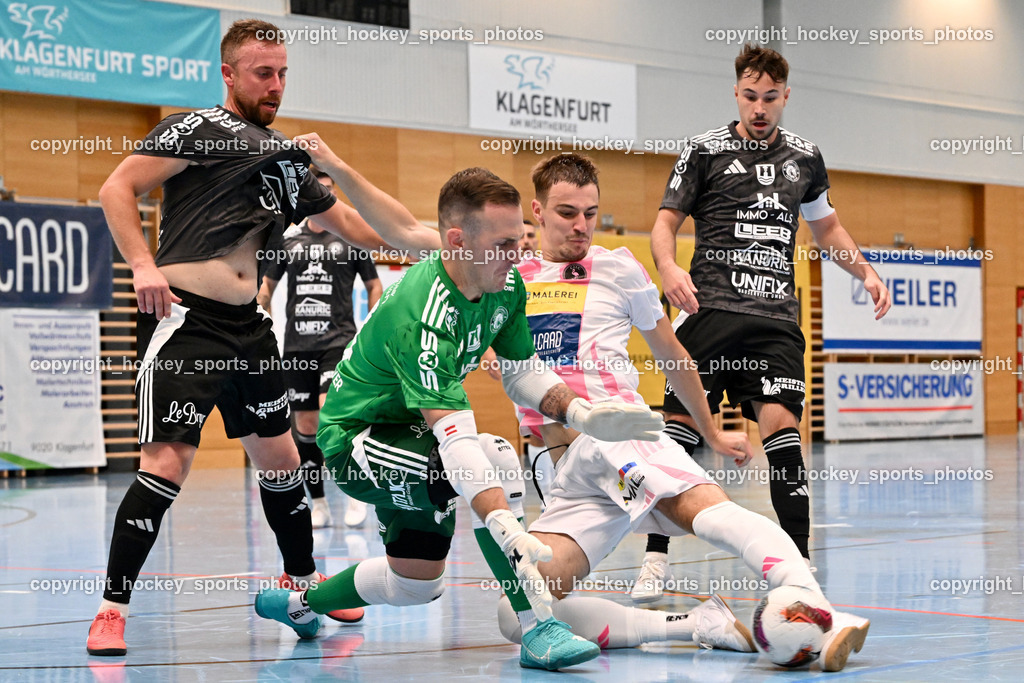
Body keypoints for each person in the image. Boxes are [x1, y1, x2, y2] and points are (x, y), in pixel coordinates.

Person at [87, 19, 439, 657]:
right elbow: (117, 187)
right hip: (187, 322)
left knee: (282, 462)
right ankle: (112, 609)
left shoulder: (287, 161)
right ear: (229, 74)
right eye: (262, 74)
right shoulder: (196, 129)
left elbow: (364, 230)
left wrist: (435, 241)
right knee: (167, 463)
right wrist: (141, 265)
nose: (275, 85)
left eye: (282, 74)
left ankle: (302, 588)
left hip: (250, 332)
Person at [253, 150, 666, 671]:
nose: (516, 256)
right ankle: (538, 627)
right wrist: (503, 520)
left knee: (414, 584)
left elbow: (521, 371)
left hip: (411, 434)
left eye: (518, 240)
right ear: (457, 241)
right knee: (493, 456)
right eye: (502, 245)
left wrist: (582, 414)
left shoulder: (504, 283)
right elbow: (457, 441)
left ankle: (300, 605)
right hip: (356, 438)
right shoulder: (422, 316)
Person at [493, 152, 869, 672]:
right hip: (564, 473)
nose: (581, 225)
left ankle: (818, 612)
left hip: (617, 433)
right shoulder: (508, 282)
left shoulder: (618, 268)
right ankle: (697, 624)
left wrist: (711, 433)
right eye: (567, 213)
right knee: (518, 613)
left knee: (707, 514)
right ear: (536, 211)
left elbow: (673, 355)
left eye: (590, 213)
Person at [642, 43, 892, 600]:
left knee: (783, 432)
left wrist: (865, 272)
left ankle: (799, 567)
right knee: (678, 436)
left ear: (786, 97)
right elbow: (665, 222)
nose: (760, 108)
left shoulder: (806, 157)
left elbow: (827, 228)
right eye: (751, 96)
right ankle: (655, 557)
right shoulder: (704, 150)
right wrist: (668, 267)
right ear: (736, 93)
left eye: (771, 98)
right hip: (708, 311)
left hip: (774, 320)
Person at [258, 170, 383, 528]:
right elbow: (266, 288)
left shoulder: (350, 238)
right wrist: (262, 318)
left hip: (338, 342)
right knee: (306, 424)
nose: (322, 194)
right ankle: (319, 503)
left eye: (328, 189)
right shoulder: (289, 240)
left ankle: (356, 493)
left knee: (332, 412)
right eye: (316, 189)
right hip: (297, 346)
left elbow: (374, 285)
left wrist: (370, 324)